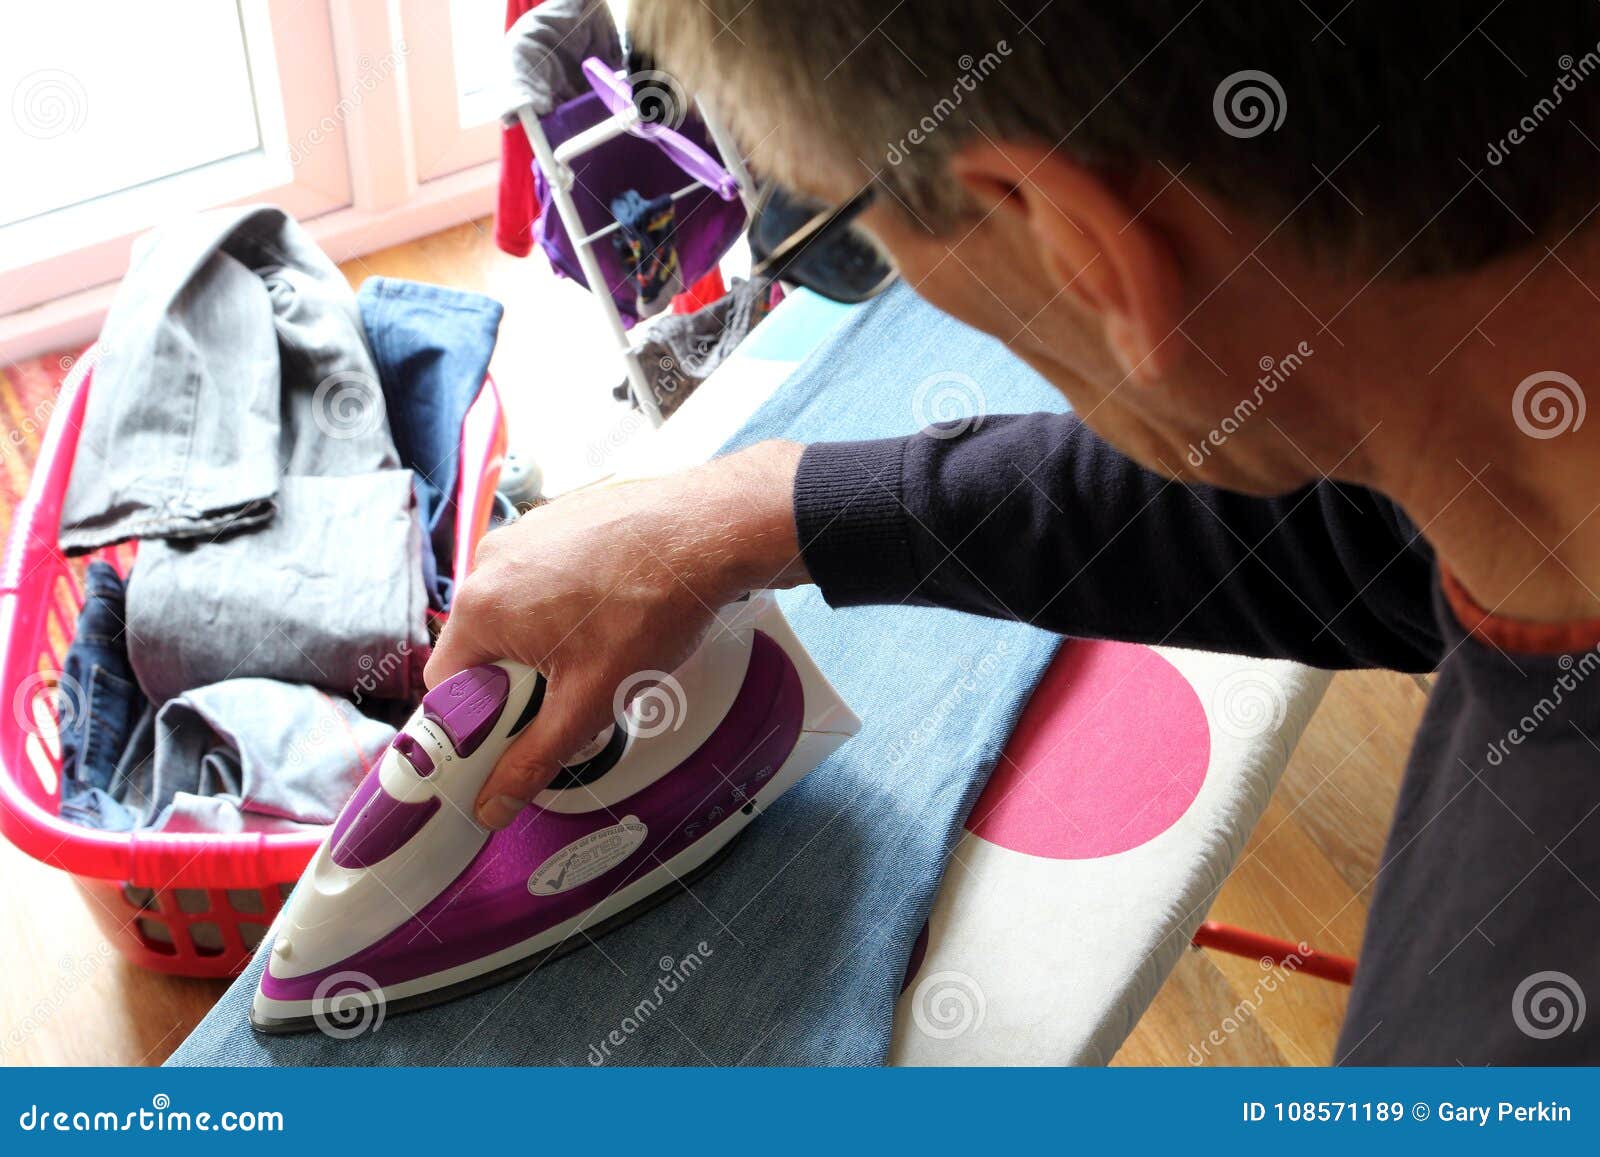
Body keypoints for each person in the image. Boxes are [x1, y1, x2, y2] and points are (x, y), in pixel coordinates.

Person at [421, 2, 1600, 1064]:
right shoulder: (1509, 474)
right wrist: (767, 508)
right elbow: (1358, 532)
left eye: (837, 229)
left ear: (1075, 240)